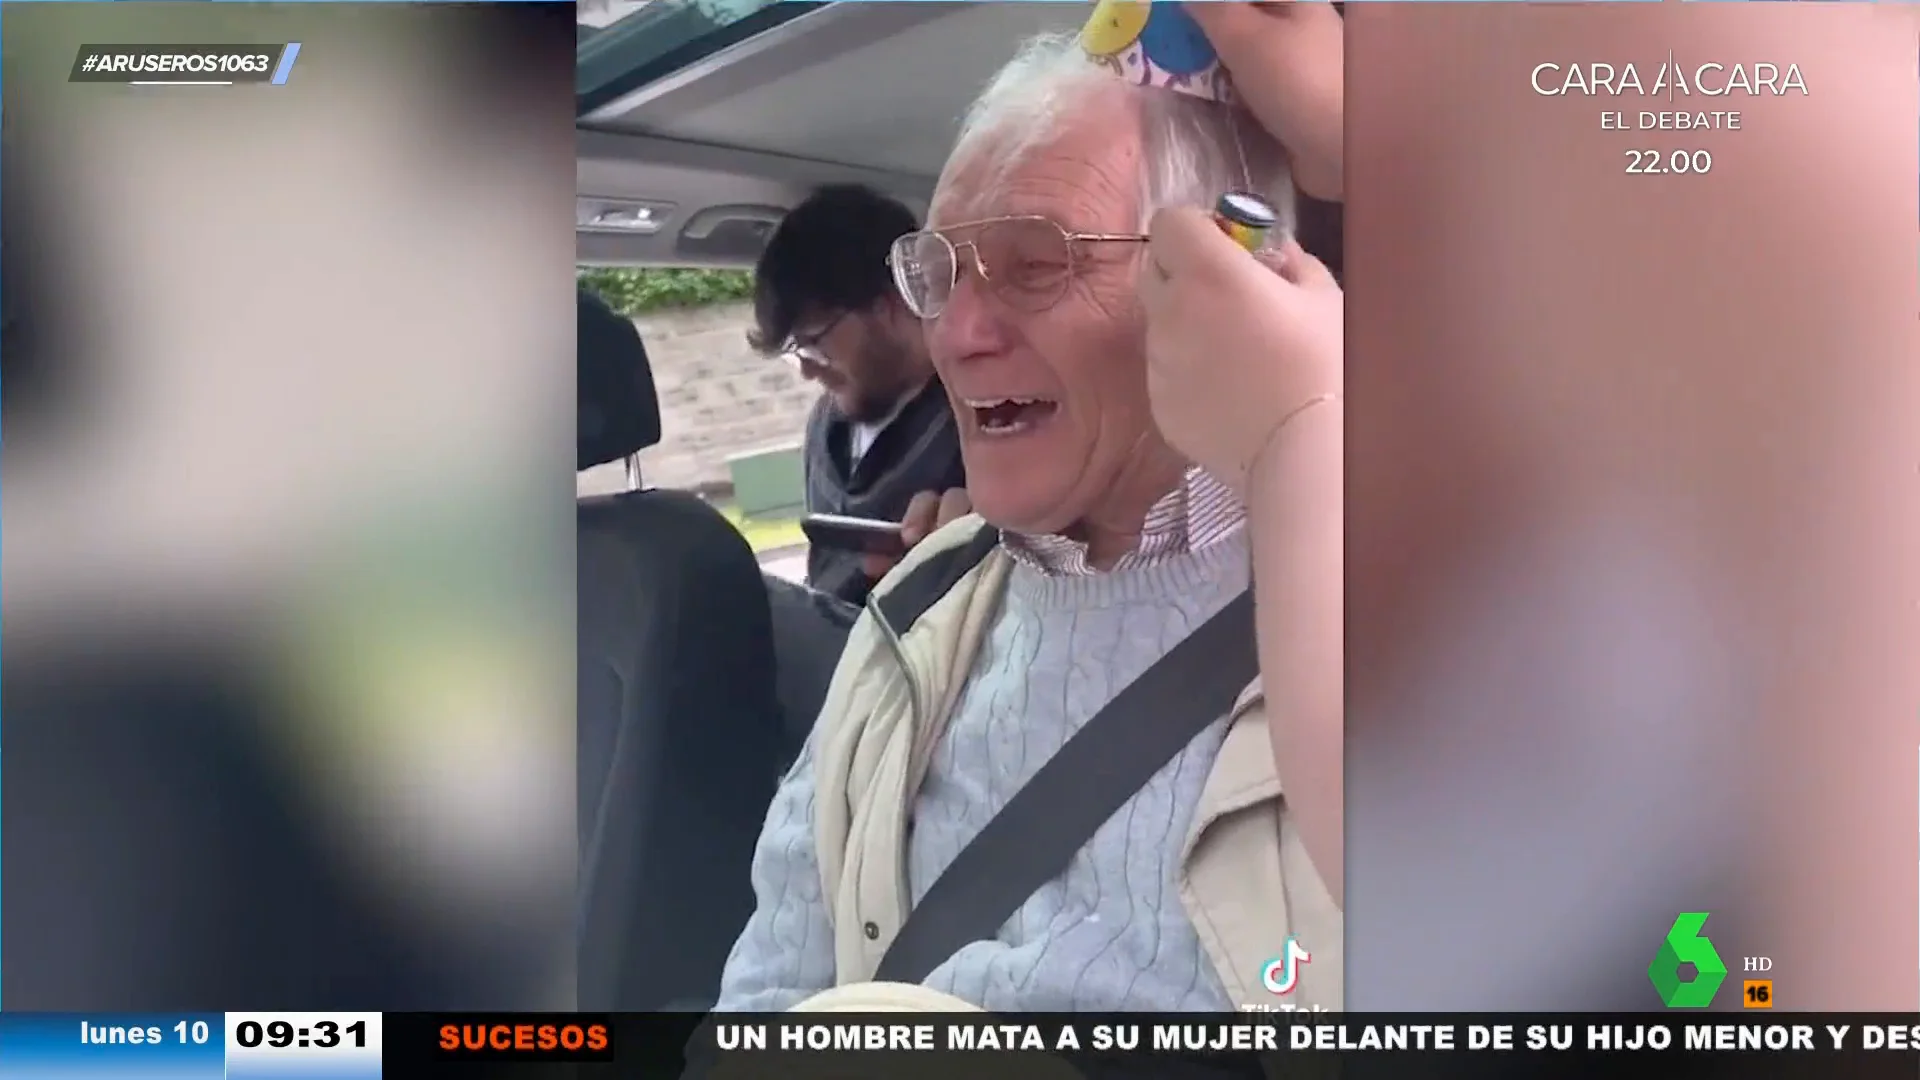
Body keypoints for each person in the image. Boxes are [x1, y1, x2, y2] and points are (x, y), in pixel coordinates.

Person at [715, 27, 1341, 1013]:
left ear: (1225, 284)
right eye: (941, 273)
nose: (958, 335)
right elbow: (766, 990)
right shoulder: (918, 611)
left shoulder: (1396, 605)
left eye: (1038, 264)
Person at [749, 184, 967, 607]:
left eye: (813, 342)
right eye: (795, 353)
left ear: (888, 304)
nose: (808, 371)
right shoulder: (824, 424)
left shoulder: (980, 415)